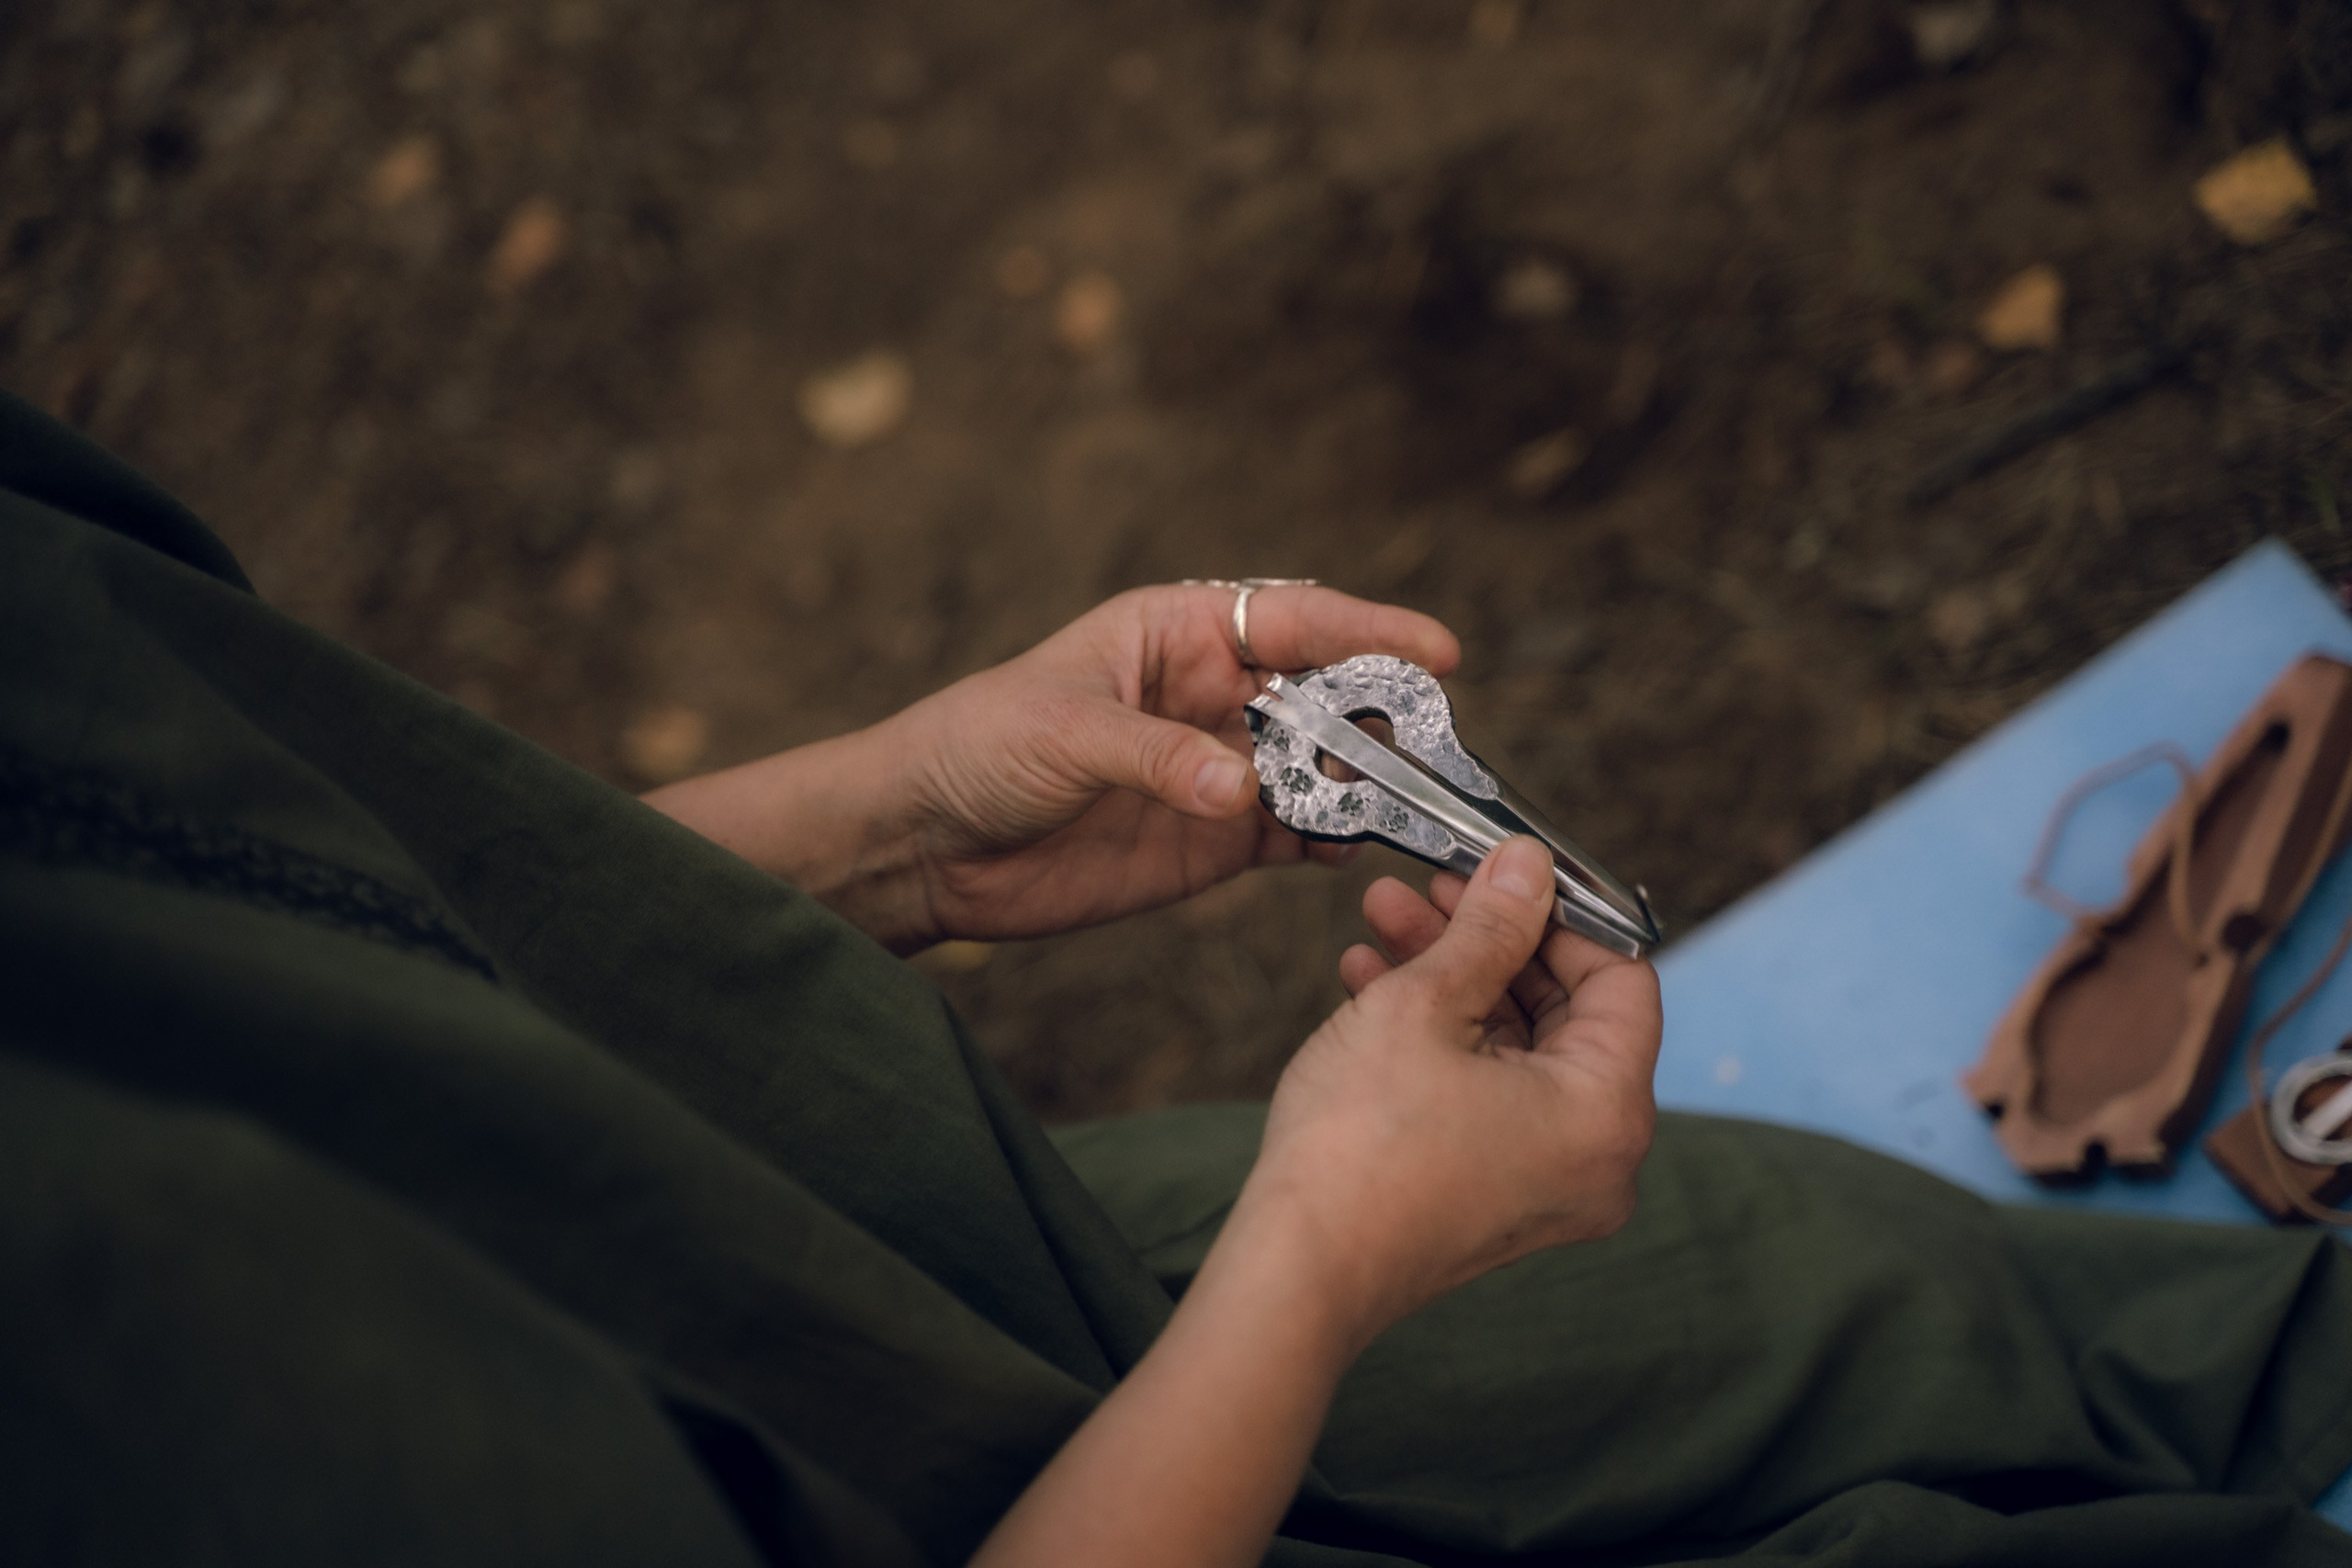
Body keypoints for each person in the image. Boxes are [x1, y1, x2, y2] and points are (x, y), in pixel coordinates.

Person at [4, 383, 2350, 1567]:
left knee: (1811, 1276)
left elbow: (311, 873)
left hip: (937, 1244)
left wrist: (890, 822)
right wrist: (1319, 1267)